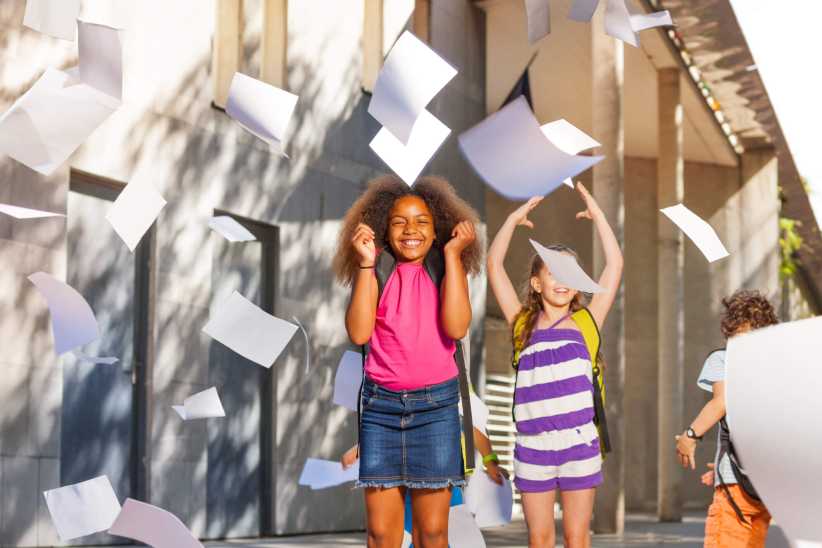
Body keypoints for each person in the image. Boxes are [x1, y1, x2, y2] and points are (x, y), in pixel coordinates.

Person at [333, 174, 482, 548]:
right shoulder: (377, 268)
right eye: (399, 222)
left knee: (431, 534)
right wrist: (365, 264)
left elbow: (457, 326)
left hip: (436, 409)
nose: (410, 229)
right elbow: (359, 333)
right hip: (380, 410)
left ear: (437, 230)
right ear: (386, 228)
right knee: (381, 536)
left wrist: (453, 255)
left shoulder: (445, 268)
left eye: (421, 221)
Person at [485, 183, 623, 548]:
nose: (562, 281)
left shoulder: (587, 322)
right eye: (553, 272)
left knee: (577, 538)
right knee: (540, 538)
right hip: (532, 446)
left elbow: (615, 264)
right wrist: (513, 220)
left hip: (579, 443)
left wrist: (599, 214)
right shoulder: (521, 324)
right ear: (536, 281)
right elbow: (493, 265)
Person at [675, 289, 778, 548]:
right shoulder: (775, 368)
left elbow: (721, 403)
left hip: (735, 485)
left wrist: (690, 436)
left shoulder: (723, 359)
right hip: (766, 483)